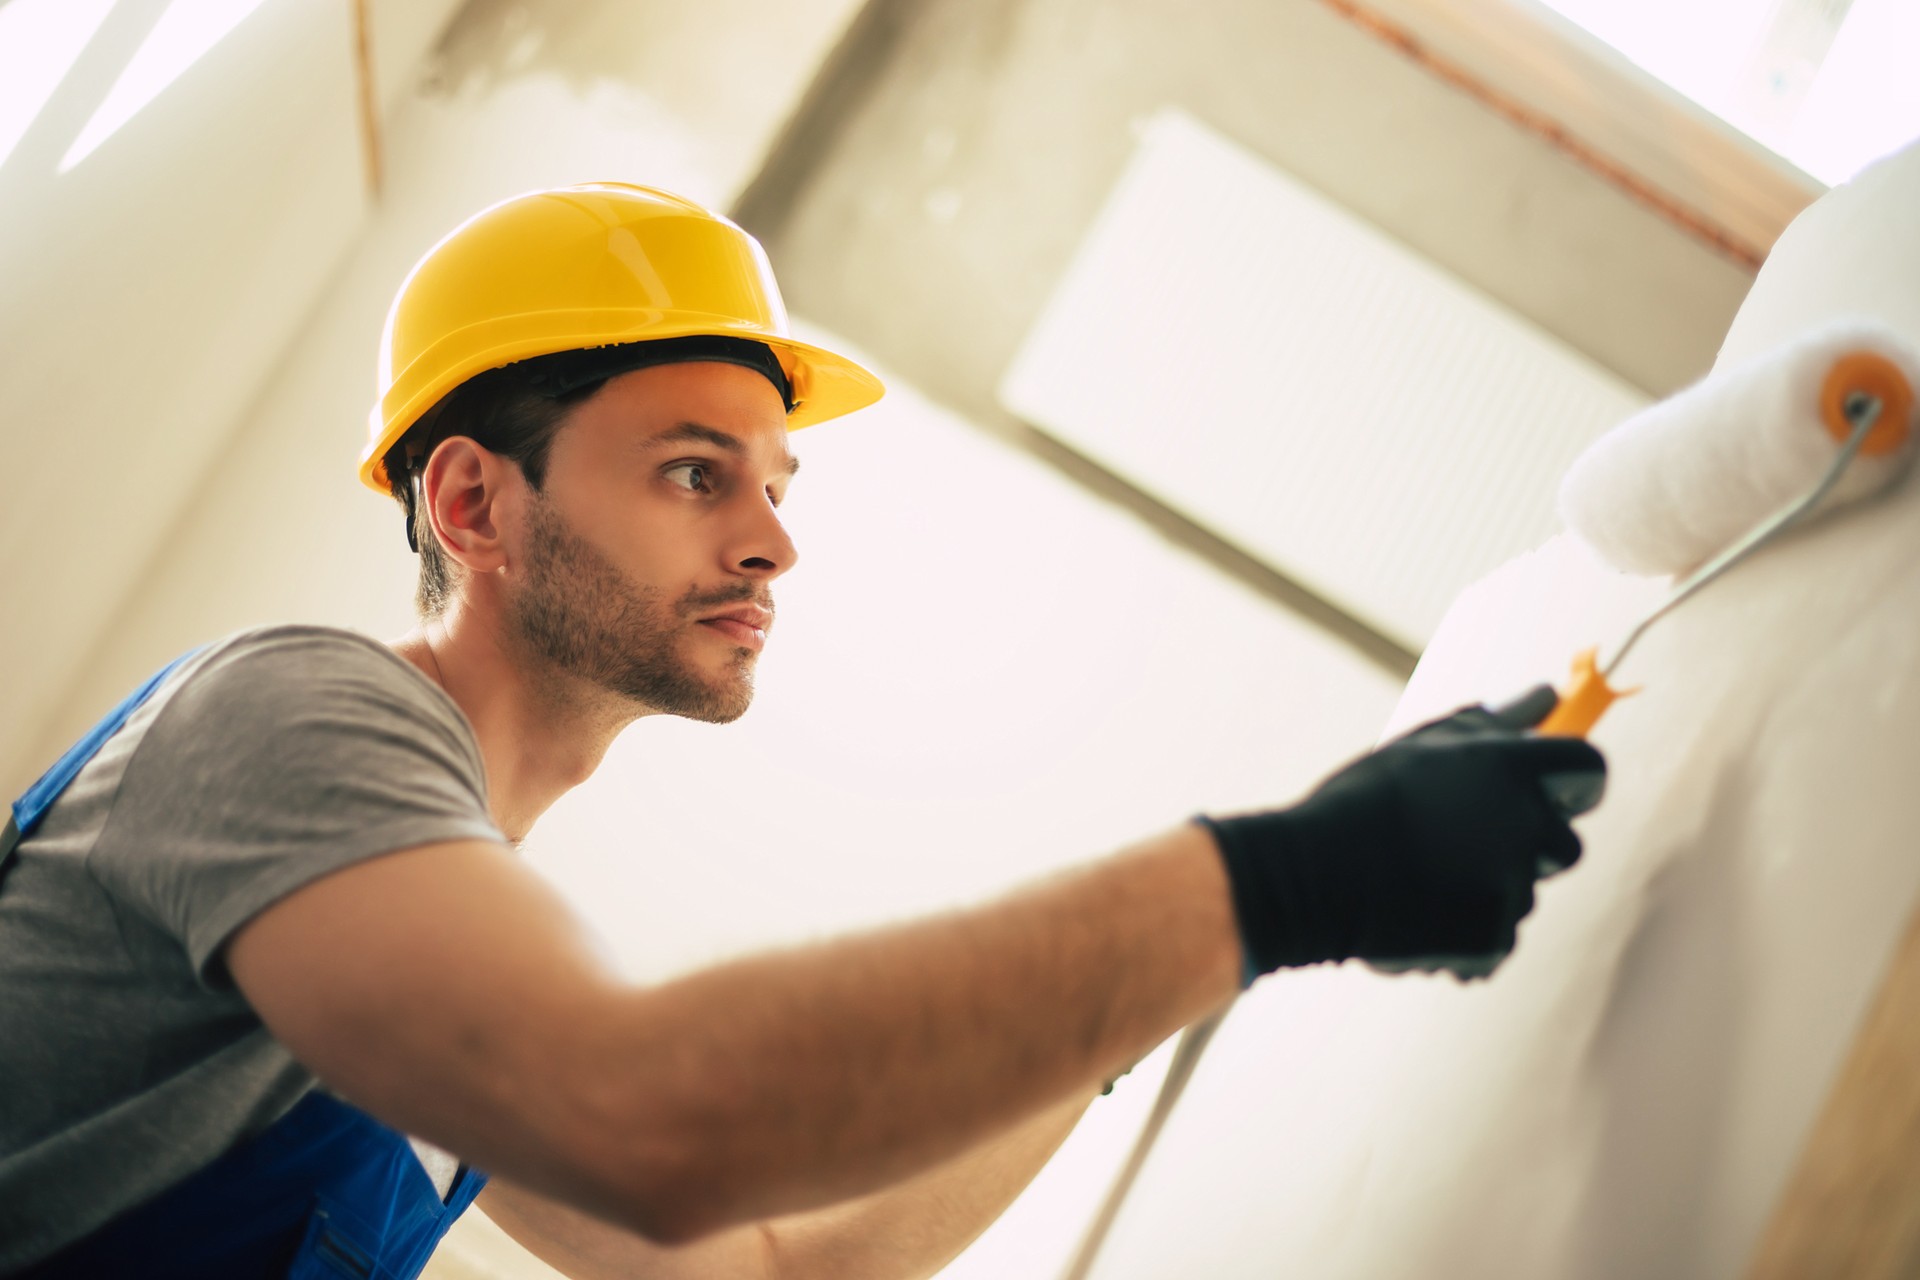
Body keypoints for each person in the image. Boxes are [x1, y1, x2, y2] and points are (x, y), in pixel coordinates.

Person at [0, 182, 1604, 1279]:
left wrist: (1165, 986)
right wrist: (1279, 880)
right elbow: (654, 1113)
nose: (773, 542)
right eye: (699, 472)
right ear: (474, 499)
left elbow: (775, 1268)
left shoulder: (435, 963)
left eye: (778, 486)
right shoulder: (291, 715)